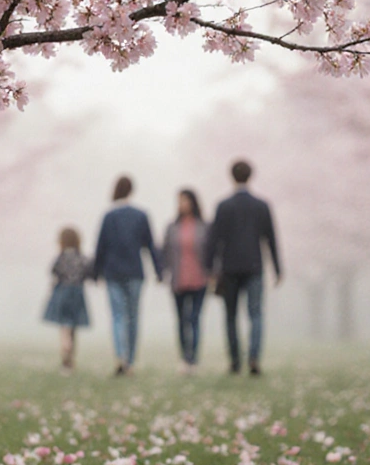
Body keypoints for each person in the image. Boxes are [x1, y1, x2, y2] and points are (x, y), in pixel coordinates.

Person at [204, 160, 281, 376]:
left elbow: (214, 240)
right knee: (255, 314)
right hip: (254, 266)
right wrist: (277, 267)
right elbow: (271, 238)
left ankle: (235, 361)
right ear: (251, 176)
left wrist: (209, 268)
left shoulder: (223, 205)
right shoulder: (261, 205)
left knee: (230, 315)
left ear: (231, 176)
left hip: (229, 267)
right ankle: (254, 357)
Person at [94, 175, 162, 376]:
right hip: (134, 272)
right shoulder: (141, 215)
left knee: (117, 316)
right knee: (133, 317)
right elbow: (150, 245)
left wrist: (96, 271)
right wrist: (158, 270)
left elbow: (101, 247)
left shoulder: (109, 216)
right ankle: (130, 360)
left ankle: (120, 356)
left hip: (113, 272)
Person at [160, 188, 209, 374]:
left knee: (194, 318)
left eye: (185, 201)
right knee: (181, 320)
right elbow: (164, 252)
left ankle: (193, 358)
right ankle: (184, 357)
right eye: (179, 201)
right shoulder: (172, 227)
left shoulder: (204, 226)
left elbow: (211, 252)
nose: (181, 205)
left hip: (199, 278)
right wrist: (162, 273)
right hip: (178, 279)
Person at [42, 227, 91, 373]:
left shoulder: (61, 257)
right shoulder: (81, 257)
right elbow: (88, 271)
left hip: (63, 292)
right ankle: (71, 354)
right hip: (77, 293)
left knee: (64, 325)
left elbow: (53, 271)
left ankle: (65, 349)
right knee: (73, 326)